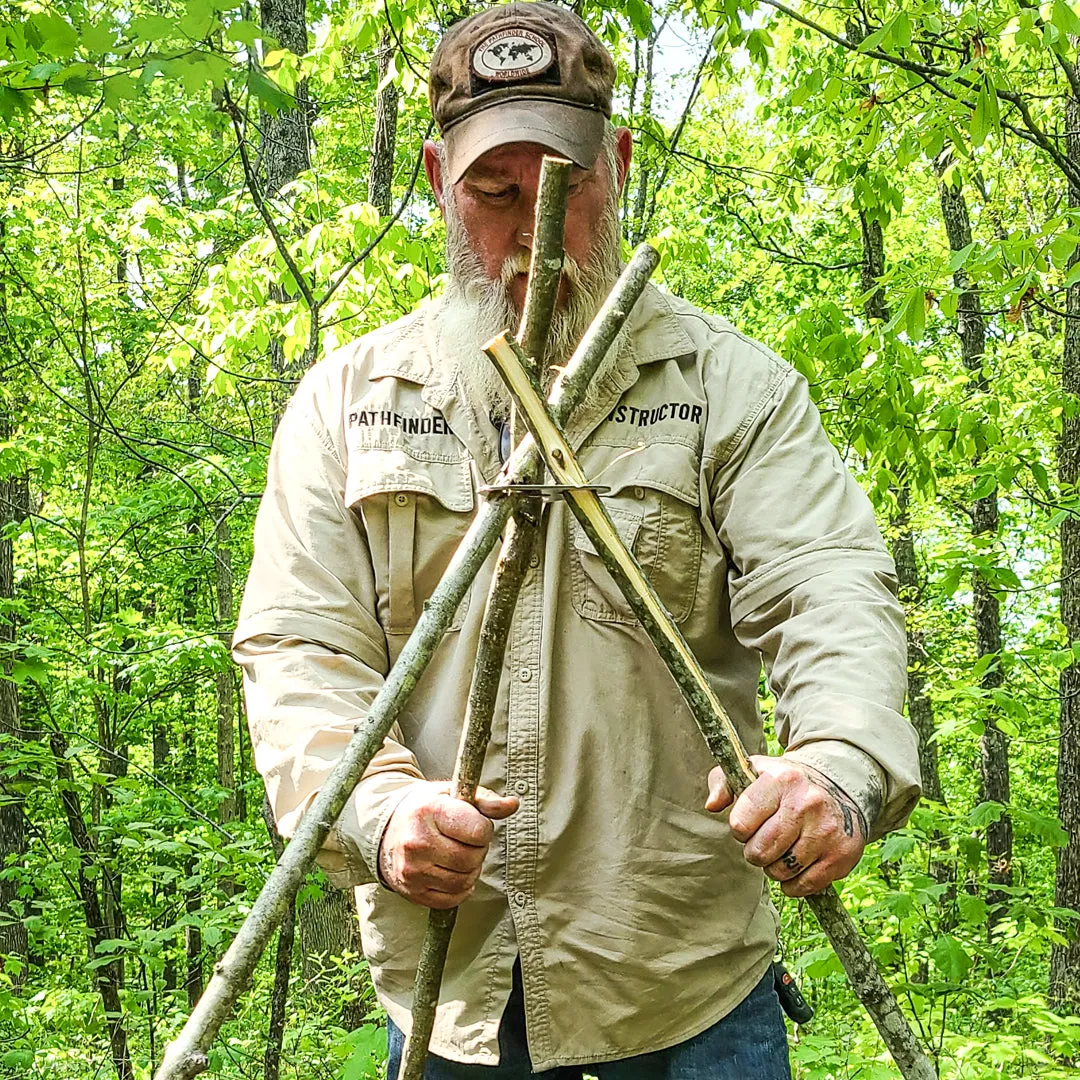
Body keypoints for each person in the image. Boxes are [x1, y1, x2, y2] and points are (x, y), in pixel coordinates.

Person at [233, 3, 922, 1077]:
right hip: (447, 993)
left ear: (621, 163)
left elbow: (830, 591)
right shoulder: (352, 402)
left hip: (685, 985)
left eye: (566, 187)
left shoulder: (728, 388)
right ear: (433, 181)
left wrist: (839, 769)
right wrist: (379, 809)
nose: (533, 234)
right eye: (492, 194)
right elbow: (298, 651)